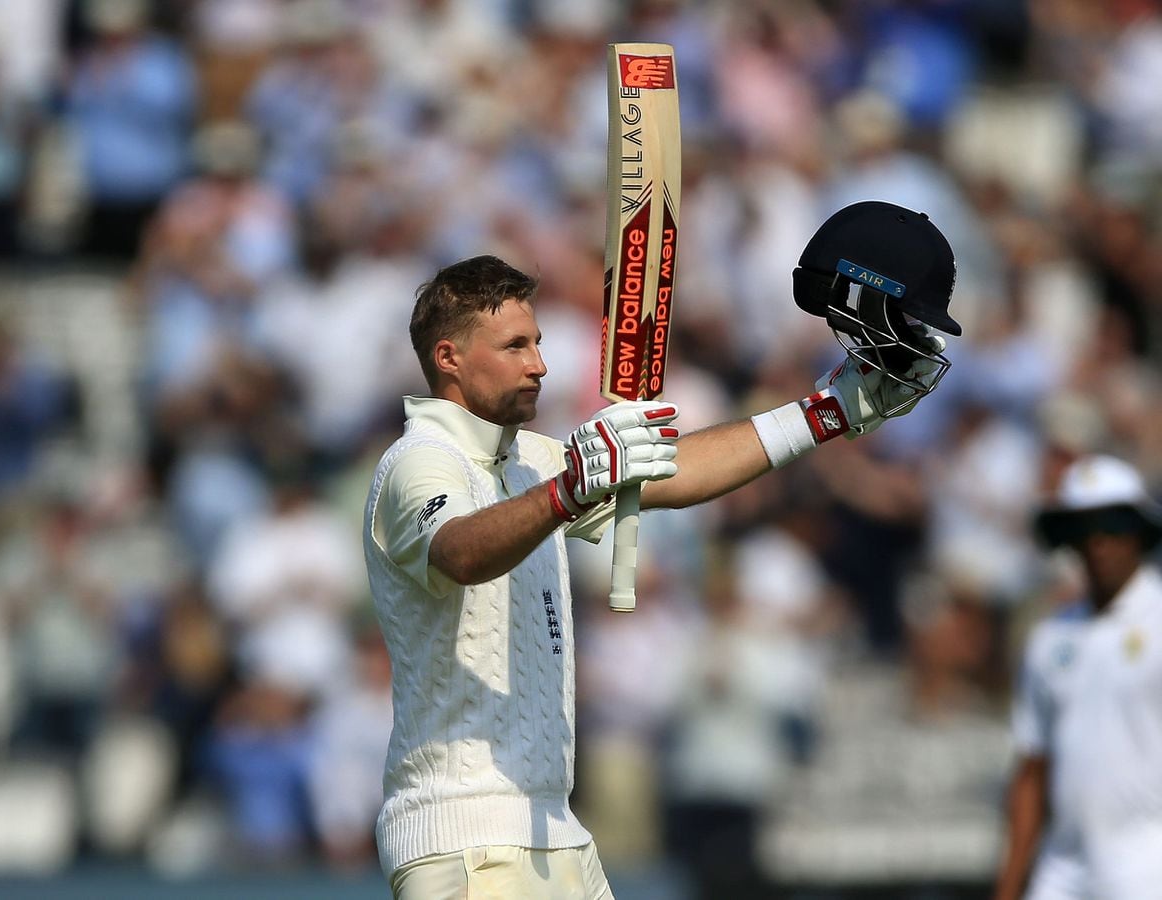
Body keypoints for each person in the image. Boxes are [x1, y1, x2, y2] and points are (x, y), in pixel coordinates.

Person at [364, 200, 962, 899]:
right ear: (450, 358)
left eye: (538, 342)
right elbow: (460, 552)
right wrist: (571, 490)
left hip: (549, 827)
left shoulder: (528, 460)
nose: (540, 365)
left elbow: (673, 475)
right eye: (515, 347)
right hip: (464, 833)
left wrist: (826, 414)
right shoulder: (420, 461)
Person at [993, 454, 1162, 900]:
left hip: (1147, 868)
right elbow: (1032, 770)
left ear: (1140, 532)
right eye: (1082, 528)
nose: (1098, 543)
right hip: (1061, 872)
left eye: (1113, 525)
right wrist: (1009, 886)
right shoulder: (1050, 638)